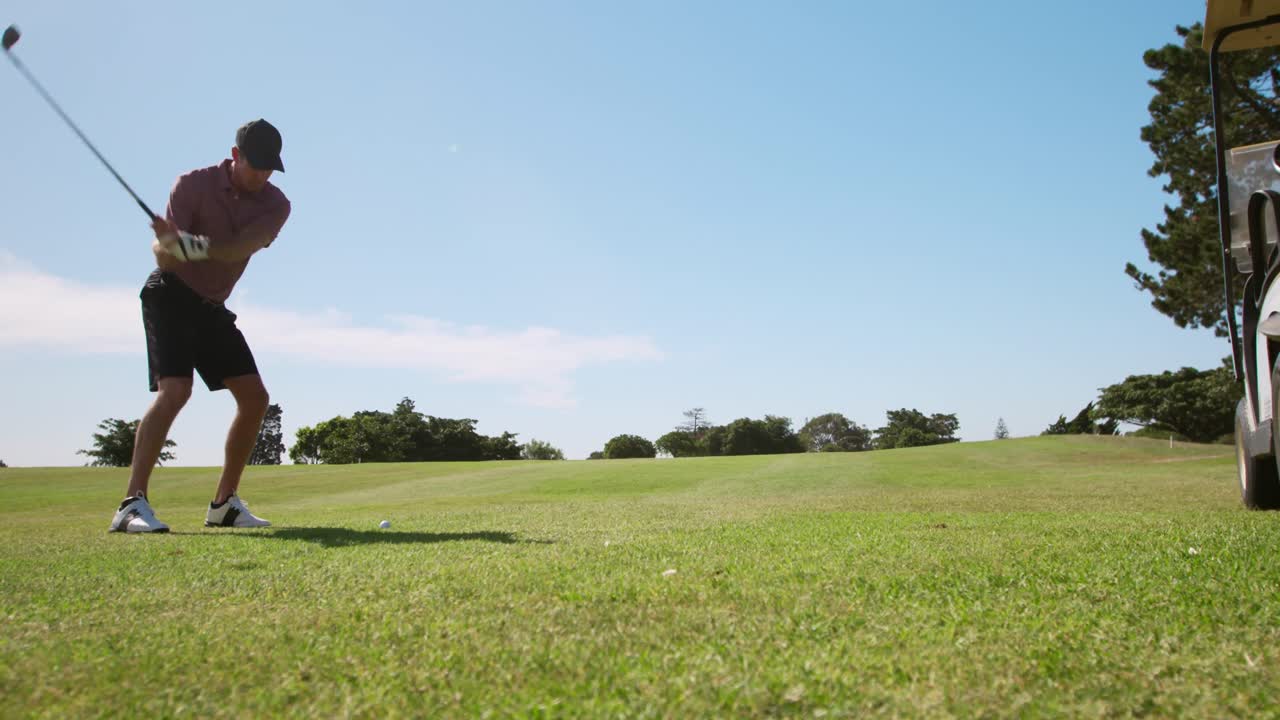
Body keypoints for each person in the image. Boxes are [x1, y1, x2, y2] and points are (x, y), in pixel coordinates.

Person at [109, 119, 292, 533]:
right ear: (235, 156)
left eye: (269, 168)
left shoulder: (276, 205)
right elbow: (166, 261)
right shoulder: (191, 185)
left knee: (254, 397)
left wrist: (185, 244)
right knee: (176, 390)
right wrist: (167, 246)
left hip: (211, 307)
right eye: (255, 165)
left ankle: (223, 505)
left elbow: (235, 250)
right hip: (170, 294)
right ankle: (130, 504)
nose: (262, 175)